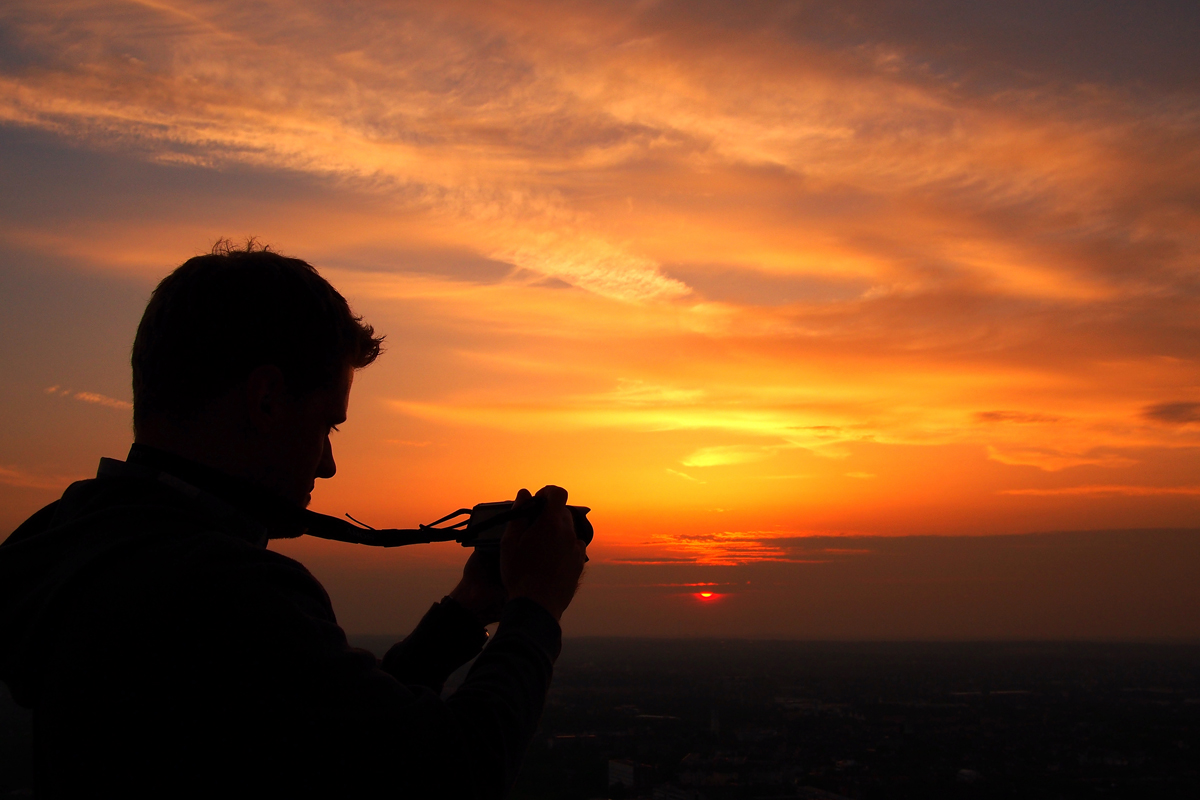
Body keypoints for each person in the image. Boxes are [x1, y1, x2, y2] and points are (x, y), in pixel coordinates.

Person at [0, 242, 587, 798]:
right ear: (266, 400)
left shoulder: (75, 541)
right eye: (328, 424)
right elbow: (454, 772)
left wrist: (464, 611)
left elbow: (337, 732)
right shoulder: (224, 589)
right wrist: (535, 606)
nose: (328, 466)